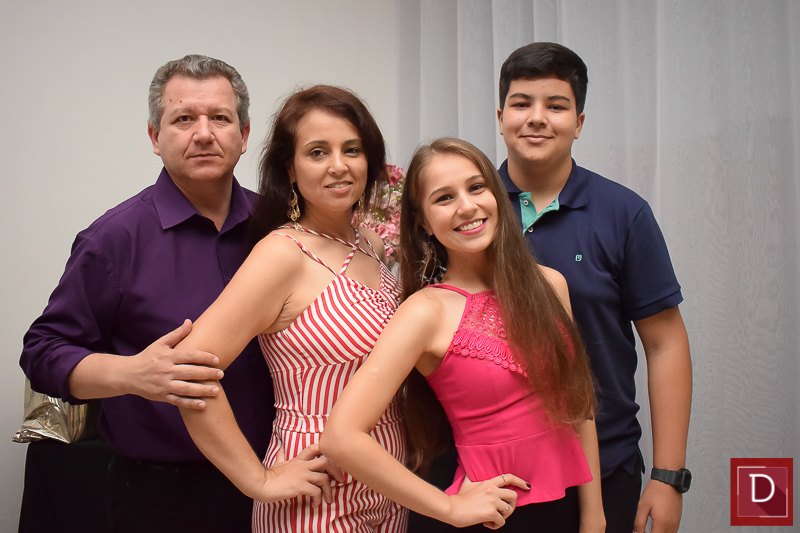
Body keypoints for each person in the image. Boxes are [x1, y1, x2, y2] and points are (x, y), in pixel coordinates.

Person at [19, 55, 278, 531]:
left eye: (220, 118)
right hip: (163, 498)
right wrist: (132, 374)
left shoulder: (279, 230)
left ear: (243, 135)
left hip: (279, 481)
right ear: (155, 138)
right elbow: (41, 352)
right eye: (184, 119)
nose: (204, 133)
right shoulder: (113, 240)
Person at [321, 137, 606, 532]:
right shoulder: (425, 312)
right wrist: (449, 508)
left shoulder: (550, 284)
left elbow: (578, 406)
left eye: (476, 187)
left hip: (568, 508)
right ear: (423, 222)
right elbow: (340, 437)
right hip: (492, 517)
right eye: (444, 198)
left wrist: (595, 516)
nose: (467, 206)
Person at [172, 85, 408, 532]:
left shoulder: (372, 245)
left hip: (390, 485)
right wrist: (257, 480)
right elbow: (189, 369)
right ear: (290, 168)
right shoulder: (283, 253)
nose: (338, 165)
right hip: (316, 493)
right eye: (318, 152)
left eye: (352, 149)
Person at [496, 42, 692, 533]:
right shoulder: (465, 210)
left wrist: (668, 477)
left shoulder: (624, 213)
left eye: (556, 105)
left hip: (602, 469)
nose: (536, 117)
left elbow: (665, 343)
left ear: (579, 122)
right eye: (521, 103)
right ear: (500, 118)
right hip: (488, 477)